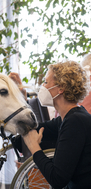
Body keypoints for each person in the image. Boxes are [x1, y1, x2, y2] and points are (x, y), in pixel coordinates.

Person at [17, 60, 91, 189]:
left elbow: (57, 179)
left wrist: (34, 147)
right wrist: (21, 99)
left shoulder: (75, 122)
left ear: (61, 88)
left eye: (46, 82)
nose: (42, 86)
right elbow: (34, 127)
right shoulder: (70, 117)